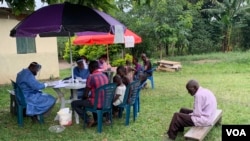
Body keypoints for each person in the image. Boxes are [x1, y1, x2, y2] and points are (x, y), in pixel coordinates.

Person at [71, 60, 109, 127]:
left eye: (89, 68)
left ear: (91, 68)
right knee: (92, 99)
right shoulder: (105, 75)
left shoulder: (91, 77)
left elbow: (85, 94)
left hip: (96, 104)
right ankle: (97, 119)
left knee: (74, 103)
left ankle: (88, 120)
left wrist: (83, 100)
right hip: (106, 103)